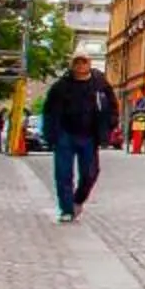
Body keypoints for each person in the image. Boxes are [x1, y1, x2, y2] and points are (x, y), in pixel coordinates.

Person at [41, 54, 115, 222]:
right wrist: (51, 133)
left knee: (90, 173)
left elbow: (111, 107)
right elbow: (49, 111)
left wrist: (108, 126)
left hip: (89, 136)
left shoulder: (100, 85)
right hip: (65, 135)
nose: (81, 66)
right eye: (77, 63)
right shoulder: (61, 87)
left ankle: (78, 199)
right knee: (63, 174)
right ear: (72, 65)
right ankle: (66, 209)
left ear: (90, 65)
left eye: (84, 62)